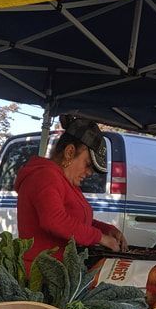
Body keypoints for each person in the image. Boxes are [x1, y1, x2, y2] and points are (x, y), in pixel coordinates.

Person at [15, 115, 127, 272]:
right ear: (69, 152)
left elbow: (75, 220)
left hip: (61, 272)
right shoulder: (45, 176)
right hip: (41, 274)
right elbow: (54, 220)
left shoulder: (66, 181)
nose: (89, 173)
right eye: (88, 164)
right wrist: (100, 238)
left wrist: (106, 229)